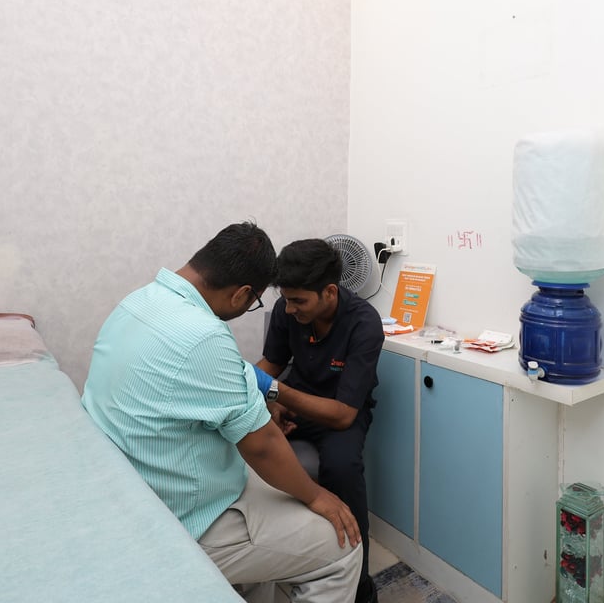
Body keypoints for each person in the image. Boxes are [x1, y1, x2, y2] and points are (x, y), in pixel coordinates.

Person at [81, 222, 362, 603]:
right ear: (242, 293)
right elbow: (262, 444)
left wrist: (264, 393)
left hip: (130, 488)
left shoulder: (138, 302)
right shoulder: (205, 336)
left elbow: (250, 379)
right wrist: (316, 497)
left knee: (326, 470)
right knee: (343, 547)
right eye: (255, 302)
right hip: (182, 515)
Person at [254, 239, 384, 603]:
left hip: (340, 411)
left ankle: (359, 584)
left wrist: (275, 393)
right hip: (294, 401)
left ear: (329, 292)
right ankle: (273, 561)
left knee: (343, 469)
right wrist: (261, 402)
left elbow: (343, 415)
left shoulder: (364, 323)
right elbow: (271, 365)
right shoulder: (287, 310)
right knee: (245, 443)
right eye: (286, 299)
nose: (289, 308)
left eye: (299, 301)